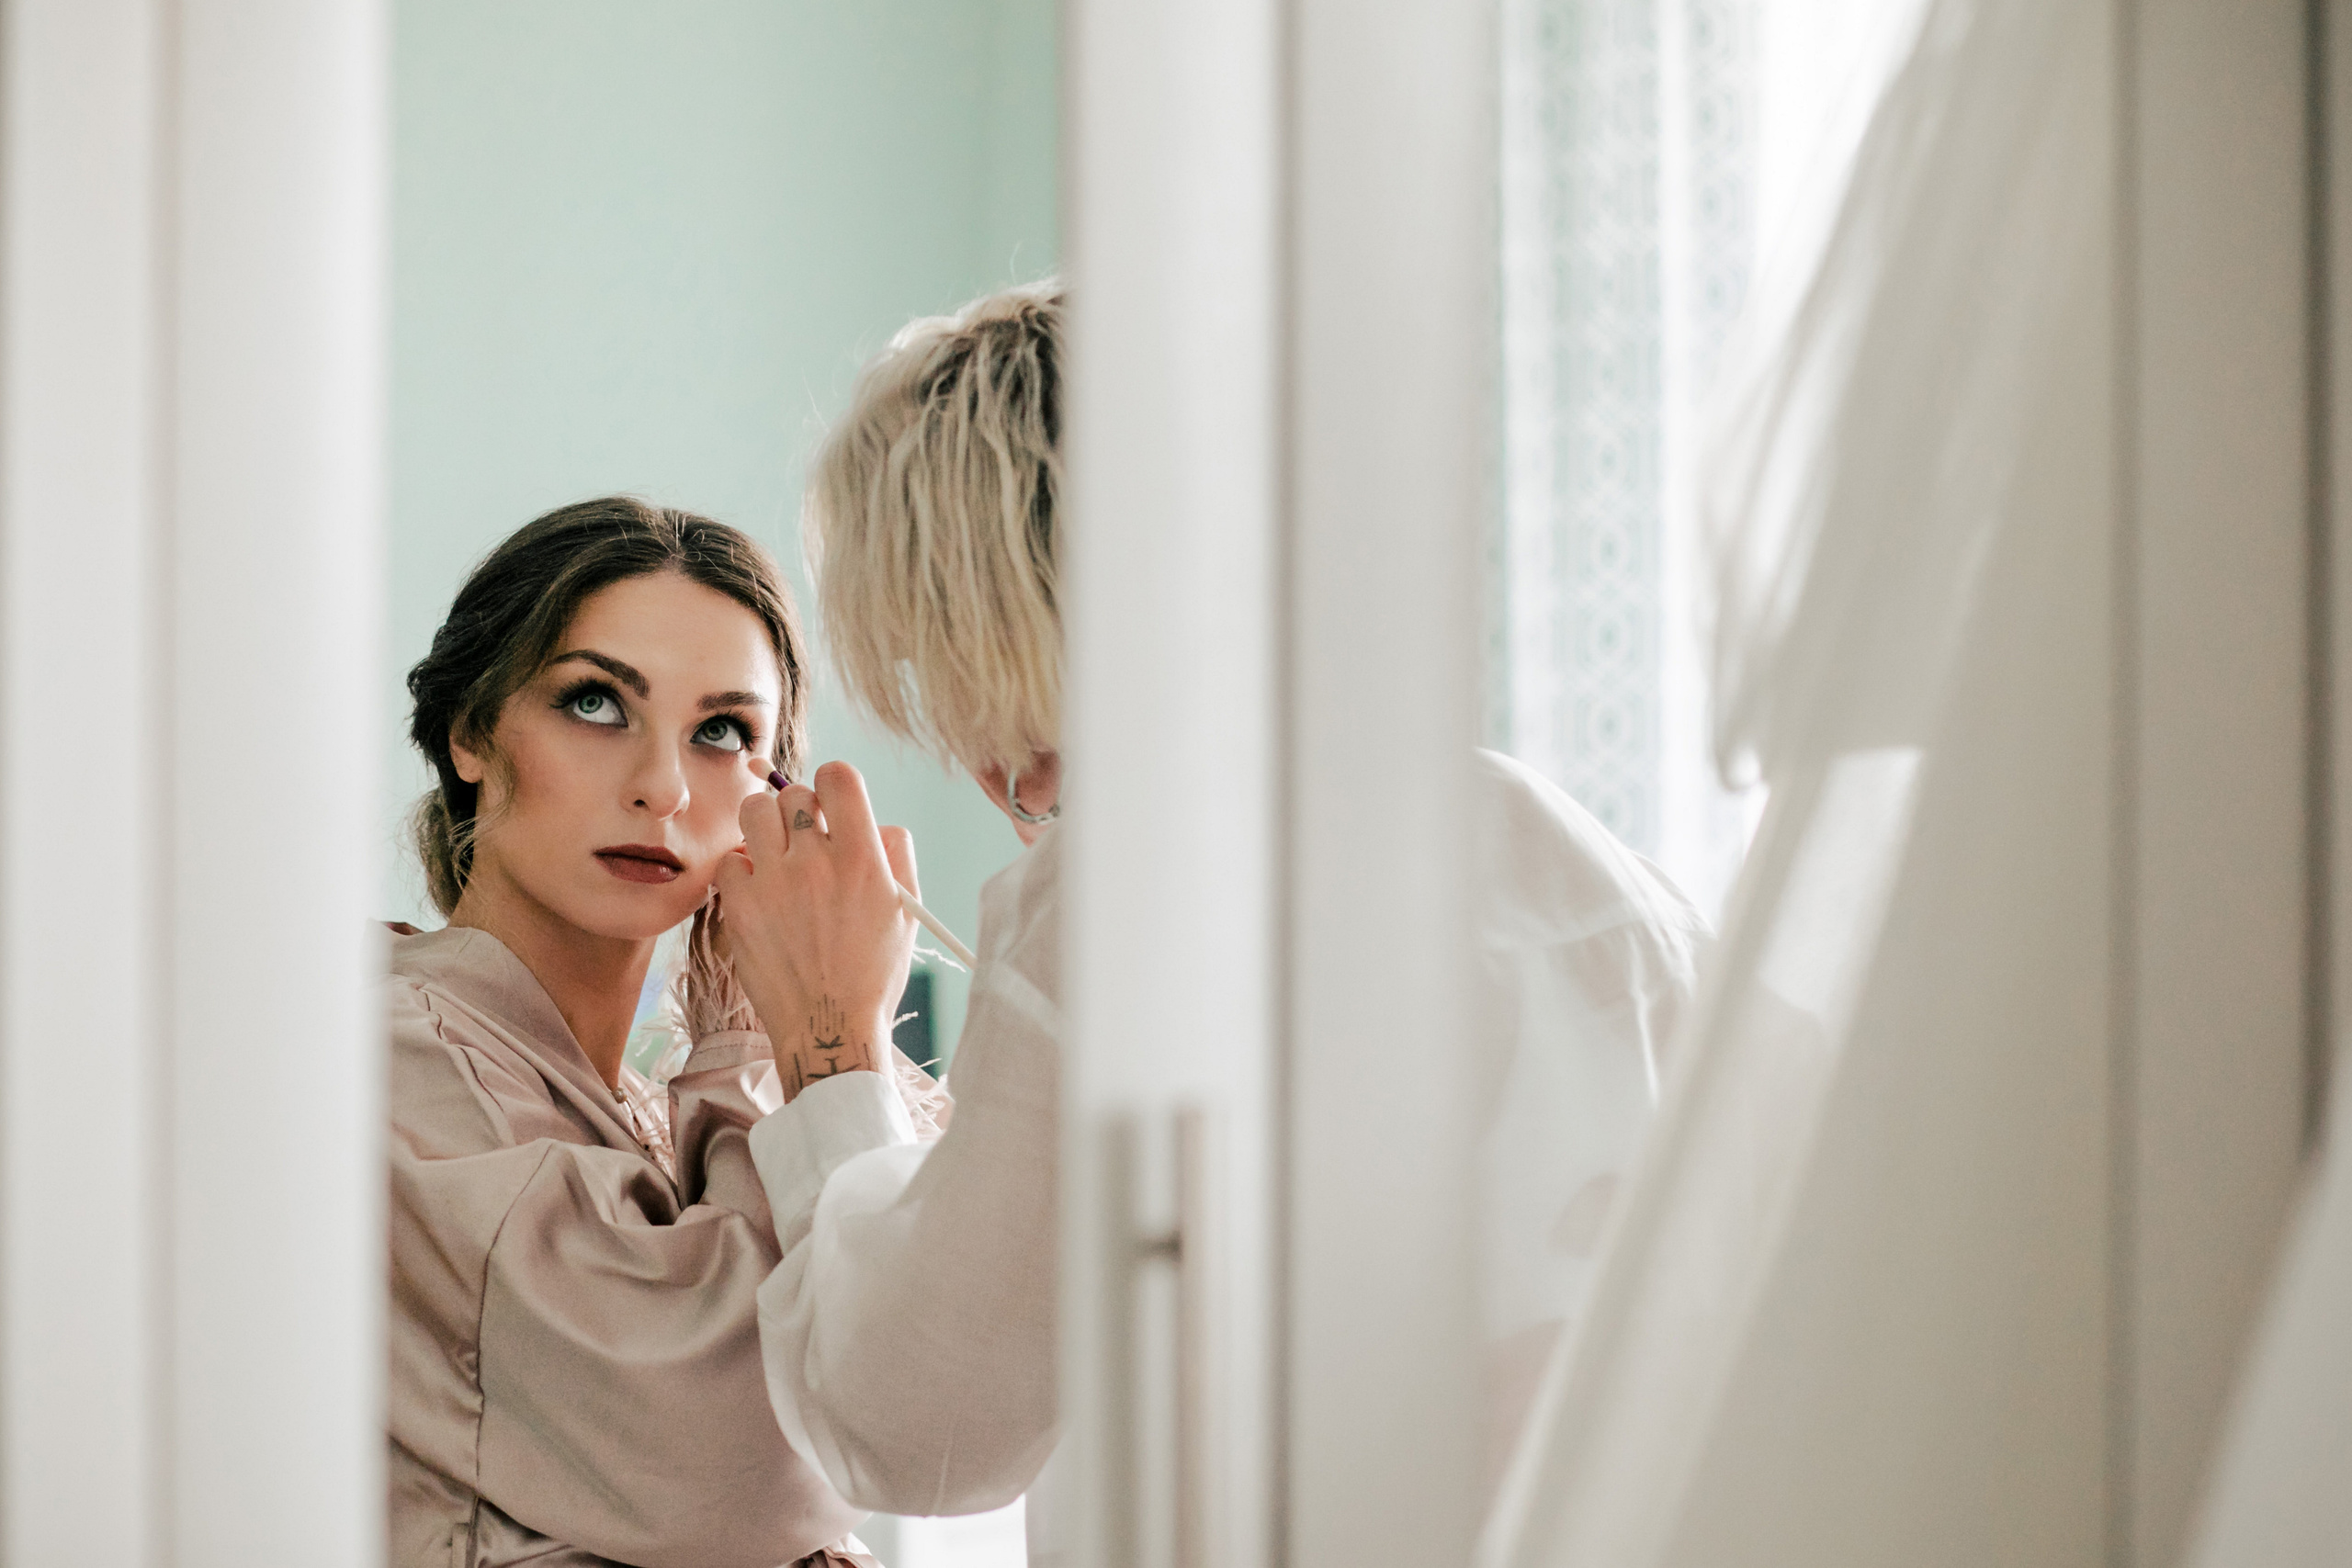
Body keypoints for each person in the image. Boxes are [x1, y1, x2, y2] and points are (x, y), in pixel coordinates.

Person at [721, 281, 1711, 1549]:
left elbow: (924, 1418)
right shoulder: (1591, 873)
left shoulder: (1128, 893)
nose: (993, 771)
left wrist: (828, 1053)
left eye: (952, 671)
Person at [387, 495, 941, 1567]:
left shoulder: (656, 1105)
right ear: (470, 732)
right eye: (595, 704)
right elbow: (758, 1466)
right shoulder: (392, 1059)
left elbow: (919, 1389)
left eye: (723, 732)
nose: (662, 787)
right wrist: (772, 1042)